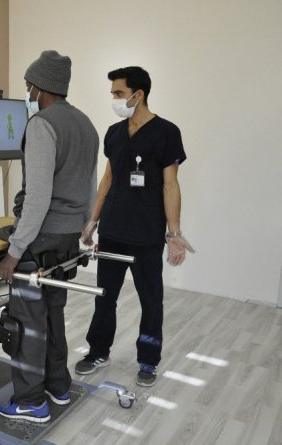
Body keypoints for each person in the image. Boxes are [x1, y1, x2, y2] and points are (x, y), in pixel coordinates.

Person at [0, 50, 99, 423]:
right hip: (67, 238)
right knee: (53, 313)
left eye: (28, 87)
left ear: (41, 87)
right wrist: (87, 227)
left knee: (27, 322)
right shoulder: (85, 124)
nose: (27, 93)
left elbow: (37, 197)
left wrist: (14, 251)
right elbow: (89, 184)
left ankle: (30, 402)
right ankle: (58, 386)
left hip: (40, 238)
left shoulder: (42, 124)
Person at [75, 66, 194, 387]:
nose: (114, 99)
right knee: (104, 296)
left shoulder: (167, 132)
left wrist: (174, 233)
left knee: (150, 300)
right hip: (112, 230)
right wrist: (92, 221)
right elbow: (108, 179)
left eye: (119, 93)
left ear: (138, 94)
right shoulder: (114, 133)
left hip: (146, 233)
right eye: (113, 93)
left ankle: (148, 360)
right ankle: (97, 351)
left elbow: (170, 185)